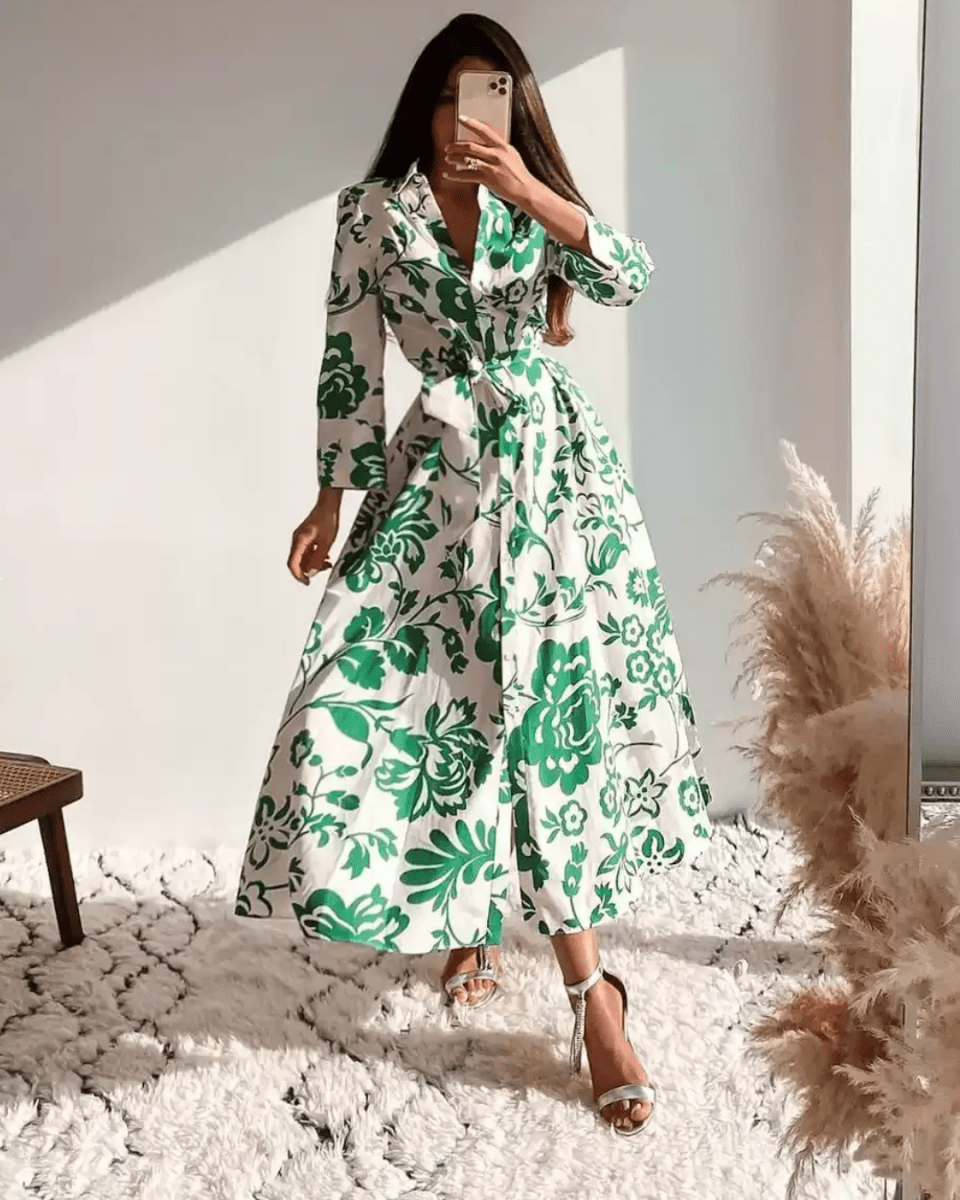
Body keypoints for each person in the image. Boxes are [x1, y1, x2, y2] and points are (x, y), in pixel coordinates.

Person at [235, 12, 713, 1137]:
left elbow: (631, 276)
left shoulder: (532, 202)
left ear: (515, 109)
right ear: (424, 106)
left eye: (488, 96)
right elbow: (350, 358)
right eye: (451, 97)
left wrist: (531, 190)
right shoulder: (372, 213)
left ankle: (594, 998)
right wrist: (328, 498)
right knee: (406, 703)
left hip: (550, 483)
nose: (466, 119)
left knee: (541, 717)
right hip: (432, 484)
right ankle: (464, 913)